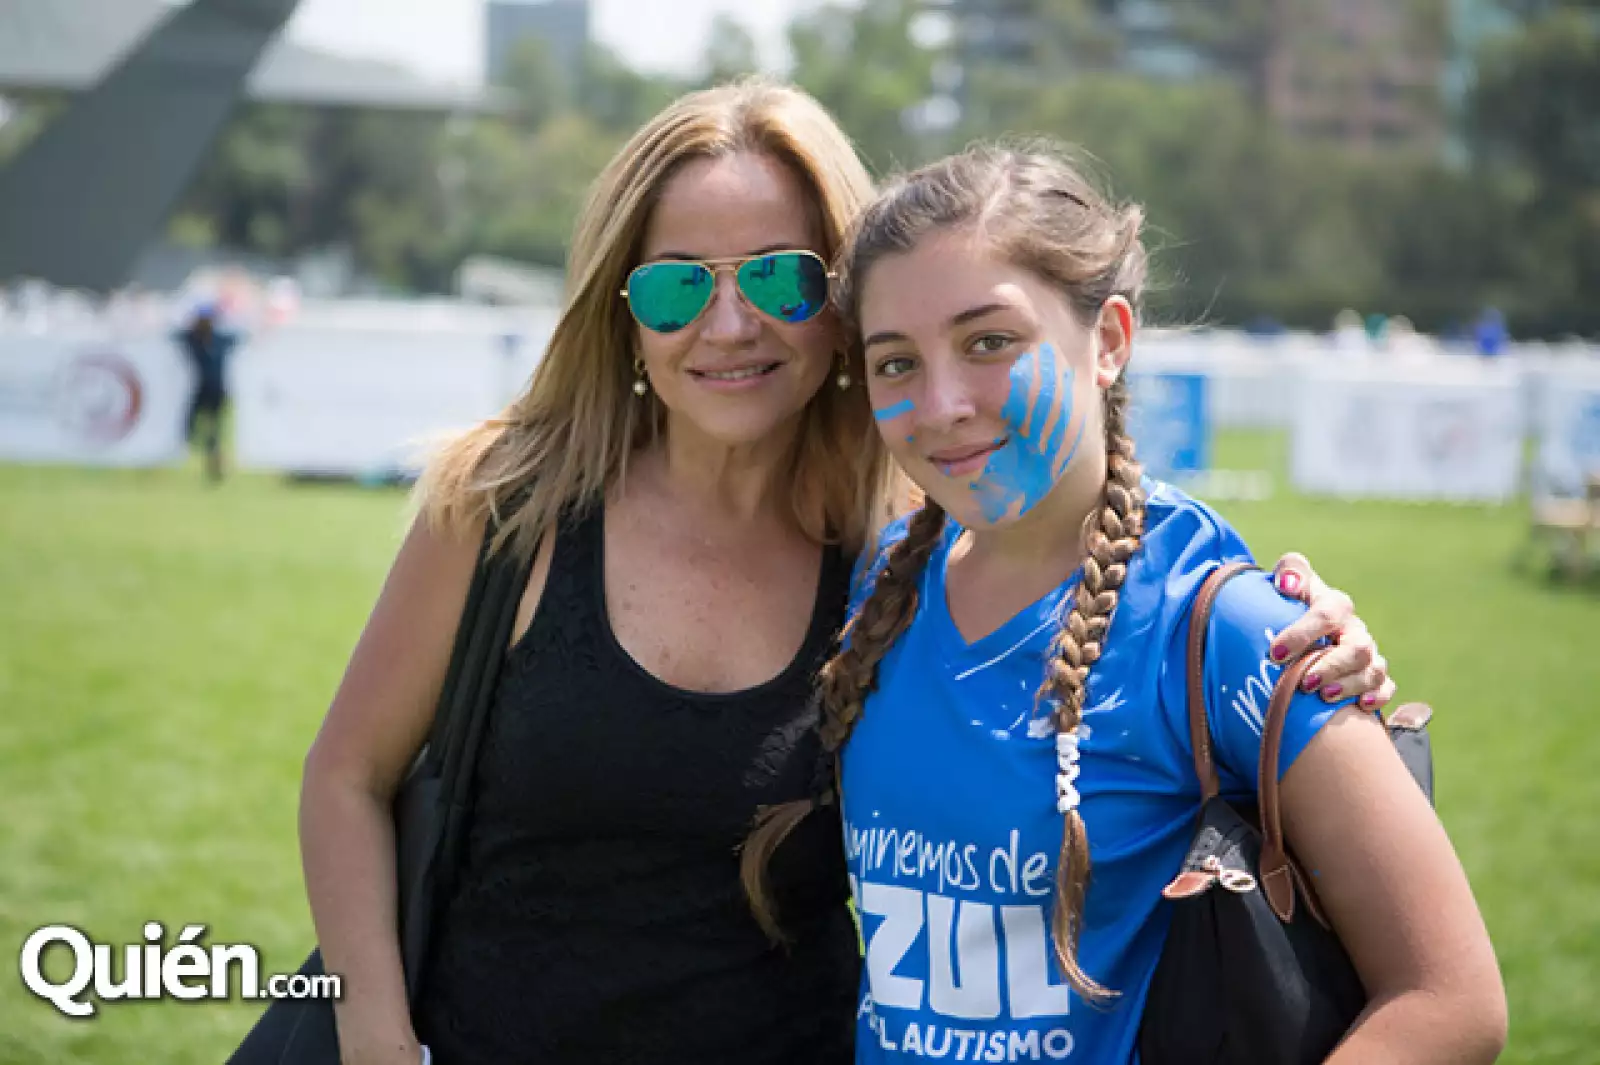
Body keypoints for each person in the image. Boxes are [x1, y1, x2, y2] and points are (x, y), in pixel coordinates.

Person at [295, 83, 1396, 1065]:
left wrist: (1305, 633)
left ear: (838, 311)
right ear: (623, 315)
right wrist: (378, 1039)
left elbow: (1127, 581)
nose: (729, 325)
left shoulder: (910, 546)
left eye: (777, 277)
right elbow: (347, 777)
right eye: (678, 289)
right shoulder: (506, 507)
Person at [742, 143, 1505, 1063]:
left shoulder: (1230, 628)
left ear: (1107, 340)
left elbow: (1450, 998)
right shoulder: (879, 593)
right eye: (895, 362)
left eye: (990, 342)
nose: (941, 402)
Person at [174, 302, 239, 483]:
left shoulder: (219, 339)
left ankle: (215, 460)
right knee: (191, 428)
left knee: (214, 430)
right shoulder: (193, 338)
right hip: (202, 388)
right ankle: (209, 455)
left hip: (217, 390)